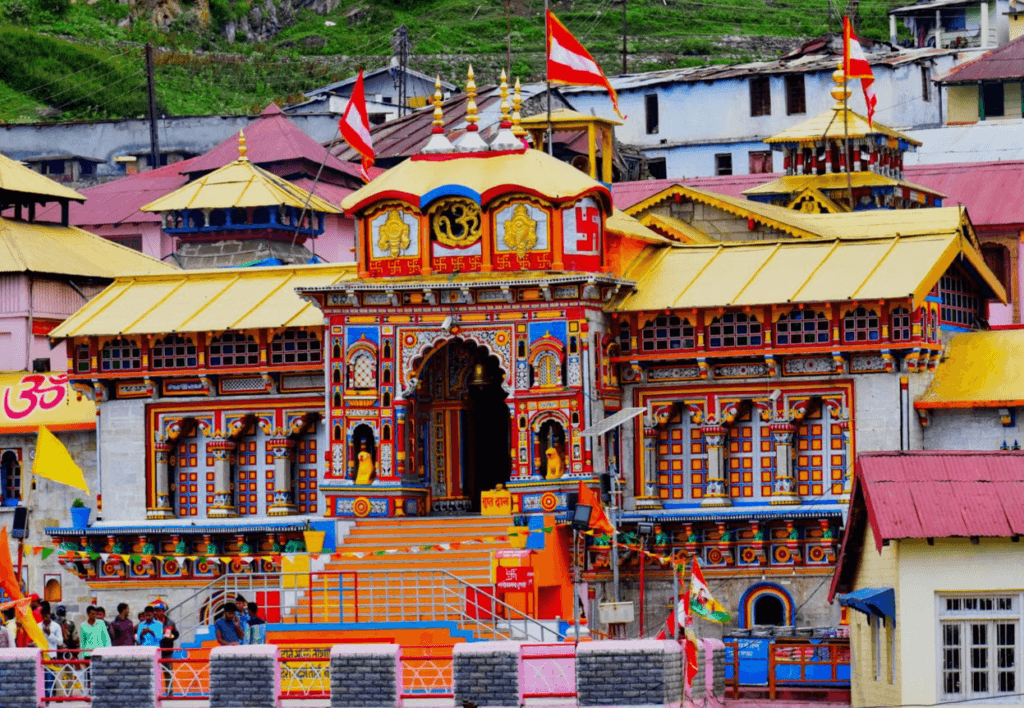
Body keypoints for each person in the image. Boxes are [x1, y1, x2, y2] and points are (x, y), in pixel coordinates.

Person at [39, 609, 67, 698]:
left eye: (46, 615)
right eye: (43, 616)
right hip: (40, 656)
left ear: (50, 615)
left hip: (51, 657)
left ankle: (47, 700)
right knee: (40, 680)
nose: (45, 618)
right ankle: (44, 699)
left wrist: (50, 634)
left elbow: (60, 642)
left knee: (49, 679)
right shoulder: (38, 626)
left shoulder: (56, 626)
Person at [153, 600, 179, 695]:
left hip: (167, 651)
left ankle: (169, 692)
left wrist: (171, 636)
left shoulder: (170, 622)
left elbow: (176, 634)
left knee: (168, 672)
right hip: (155, 651)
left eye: (159, 610)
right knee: (155, 672)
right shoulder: (152, 622)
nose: (157, 612)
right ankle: (155, 692)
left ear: (163, 611)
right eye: (155, 610)